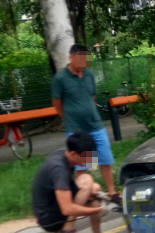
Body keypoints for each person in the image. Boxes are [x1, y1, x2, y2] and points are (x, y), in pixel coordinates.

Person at [51, 43, 121, 204]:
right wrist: (69, 117)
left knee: (104, 159)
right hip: (77, 129)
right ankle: (88, 194)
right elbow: (57, 103)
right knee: (83, 164)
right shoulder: (60, 78)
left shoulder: (89, 75)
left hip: (95, 125)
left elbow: (92, 96)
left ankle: (112, 193)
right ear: (71, 57)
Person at [31, 132, 111, 233]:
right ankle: (67, 230)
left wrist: (94, 196)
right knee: (86, 180)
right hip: (48, 219)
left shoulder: (65, 154)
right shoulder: (58, 168)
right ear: (73, 153)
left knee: (95, 189)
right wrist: (97, 210)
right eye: (87, 157)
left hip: (53, 205)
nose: (89, 160)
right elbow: (67, 209)